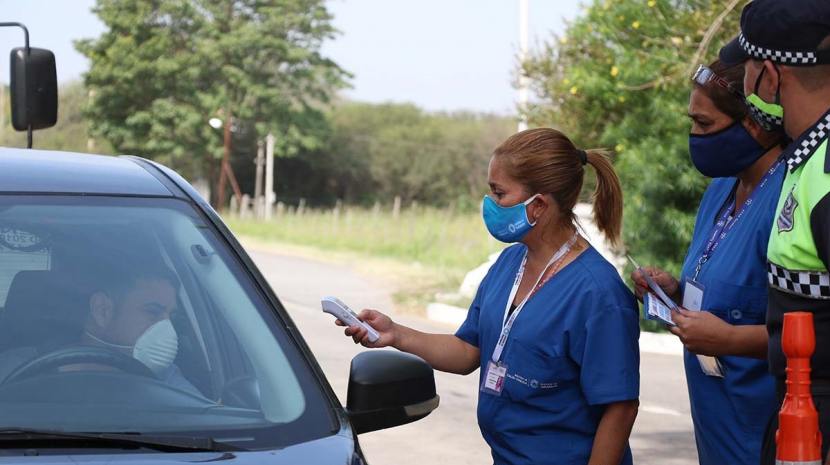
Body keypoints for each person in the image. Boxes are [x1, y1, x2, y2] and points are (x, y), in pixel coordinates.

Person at [340, 128, 640, 465]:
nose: (490, 204)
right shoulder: (510, 262)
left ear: (538, 205)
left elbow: (620, 407)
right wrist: (395, 333)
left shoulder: (599, 294)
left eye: (499, 194)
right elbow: (469, 351)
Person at [631, 59, 785, 465]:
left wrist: (731, 340)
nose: (694, 136)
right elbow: (723, 292)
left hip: (767, 433)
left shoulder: (790, 198)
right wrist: (673, 292)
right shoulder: (721, 188)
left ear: (755, 124)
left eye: (704, 124)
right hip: (717, 429)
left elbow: (816, 331)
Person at [718, 1, 830, 463]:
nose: (744, 84)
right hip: (801, 411)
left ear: (769, 73)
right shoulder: (807, 155)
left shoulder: (825, 169)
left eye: (745, 68)